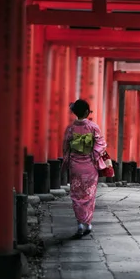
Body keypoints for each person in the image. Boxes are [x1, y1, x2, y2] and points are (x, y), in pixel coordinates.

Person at [61, 99, 107, 238]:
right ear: (87, 112)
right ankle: (87, 222)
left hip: (75, 165)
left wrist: (68, 160)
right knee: (89, 194)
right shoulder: (93, 127)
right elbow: (101, 144)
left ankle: (80, 223)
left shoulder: (70, 129)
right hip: (89, 165)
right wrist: (93, 155)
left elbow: (66, 147)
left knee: (76, 194)